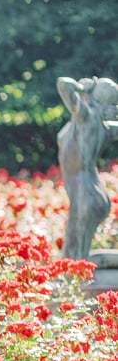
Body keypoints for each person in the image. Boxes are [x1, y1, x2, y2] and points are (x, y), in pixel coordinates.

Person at [57, 76, 118, 260]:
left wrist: (83, 89)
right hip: (89, 192)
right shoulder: (102, 127)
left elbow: (63, 84)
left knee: (76, 262)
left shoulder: (86, 117)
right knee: (73, 258)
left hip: (85, 195)